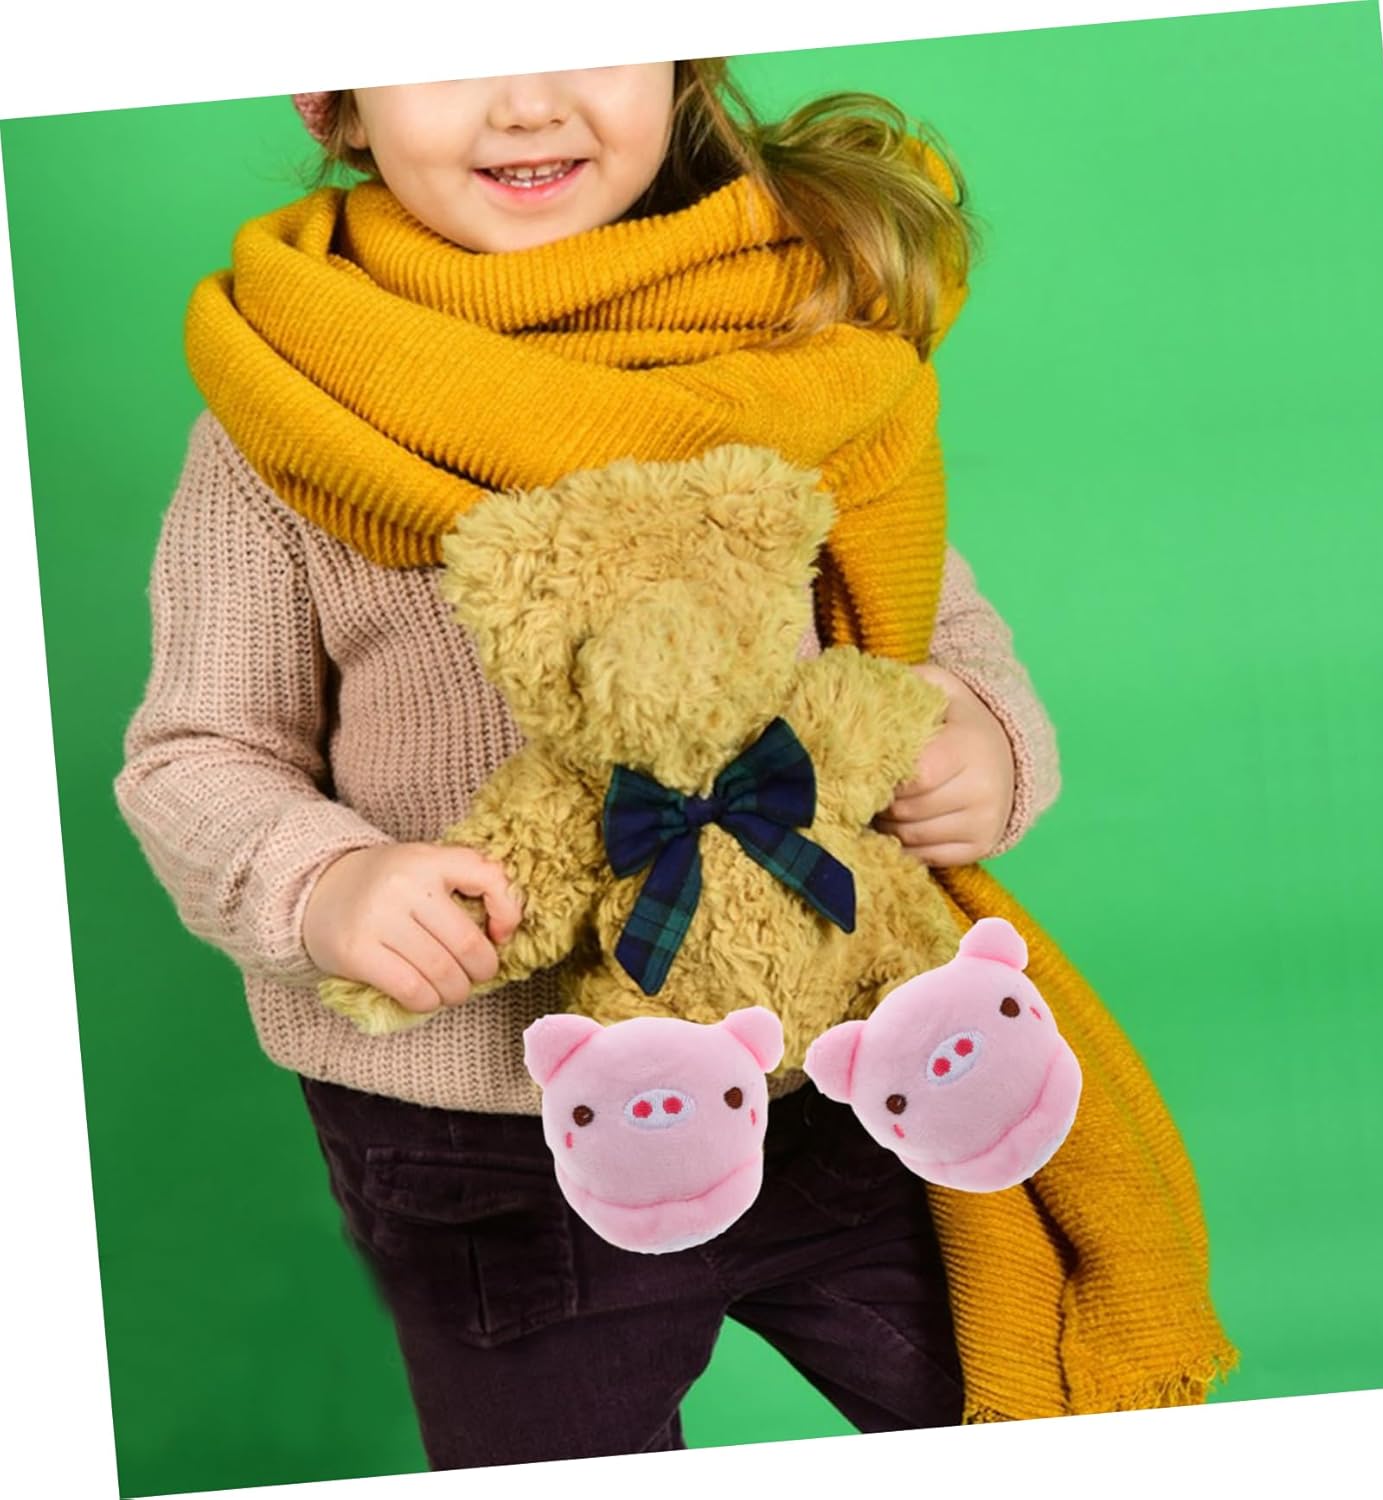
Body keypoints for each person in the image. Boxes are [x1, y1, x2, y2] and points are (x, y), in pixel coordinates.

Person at [114, 61, 1226, 1473]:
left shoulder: (796, 337)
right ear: (325, 96)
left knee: (1009, 1403)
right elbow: (199, 749)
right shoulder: (288, 410)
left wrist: (982, 734)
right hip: (492, 1135)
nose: (526, 103)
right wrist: (323, 883)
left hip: (837, 1067)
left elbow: (928, 626)